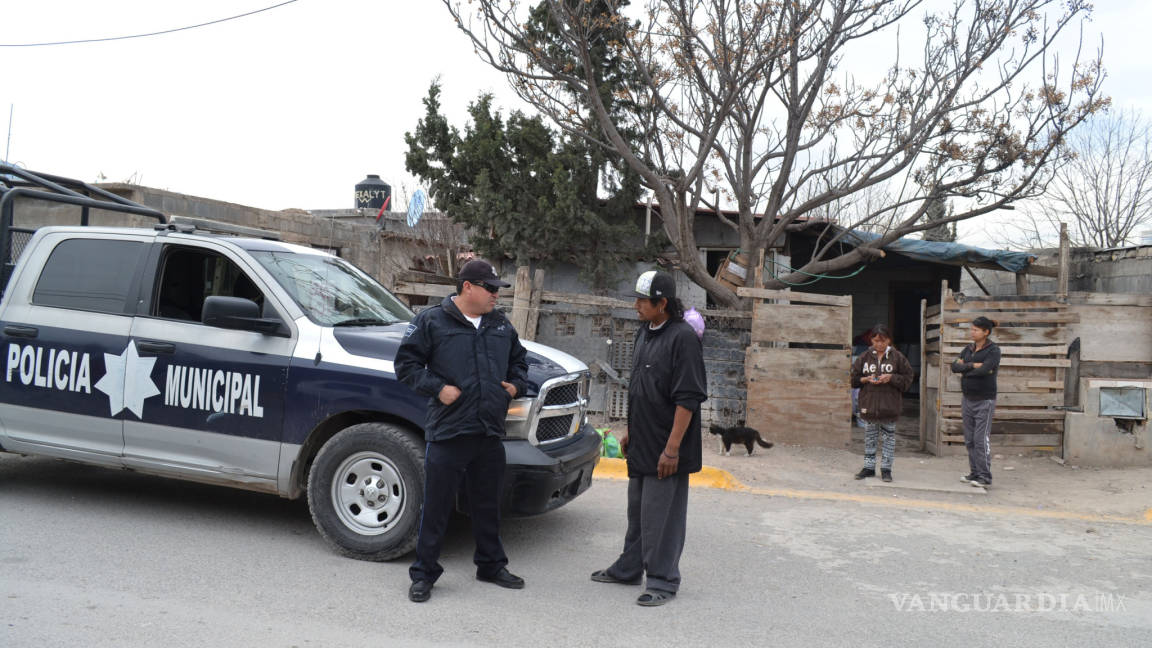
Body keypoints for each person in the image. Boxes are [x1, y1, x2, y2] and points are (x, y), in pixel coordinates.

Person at [394, 259, 531, 603]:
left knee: (487, 505)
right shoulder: (432, 321)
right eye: (490, 288)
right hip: (449, 431)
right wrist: (438, 388)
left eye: (498, 289)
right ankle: (424, 574)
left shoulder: (500, 324)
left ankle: (491, 565)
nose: (496, 295)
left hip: (488, 431)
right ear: (467, 287)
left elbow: (519, 361)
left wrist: (515, 386)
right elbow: (406, 365)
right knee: (437, 507)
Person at [590, 270, 707, 607]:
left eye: (643, 300)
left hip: (667, 447)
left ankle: (662, 580)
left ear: (662, 303)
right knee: (638, 512)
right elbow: (642, 388)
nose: (636, 305)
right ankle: (629, 568)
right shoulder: (645, 332)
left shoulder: (683, 338)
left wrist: (672, 450)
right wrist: (631, 431)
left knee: (662, 517)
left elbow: (688, 399)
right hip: (643, 439)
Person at [850, 325, 914, 482]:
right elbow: (853, 380)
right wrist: (866, 379)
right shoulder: (864, 357)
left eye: (883, 341)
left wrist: (891, 378)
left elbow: (908, 379)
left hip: (889, 405)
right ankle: (868, 468)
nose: (879, 344)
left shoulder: (897, 357)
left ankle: (886, 470)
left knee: (888, 439)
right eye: (876, 341)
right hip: (870, 404)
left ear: (889, 340)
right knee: (870, 437)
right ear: (871, 340)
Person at [951, 316, 1001, 488]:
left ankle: (985, 476)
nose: (972, 332)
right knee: (970, 439)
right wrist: (972, 366)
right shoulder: (969, 348)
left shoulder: (993, 350)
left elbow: (985, 370)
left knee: (980, 439)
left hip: (985, 400)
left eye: (976, 330)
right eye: (971, 329)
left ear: (986, 332)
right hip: (967, 399)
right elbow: (954, 366)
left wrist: (965, 369)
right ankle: (974, 473)